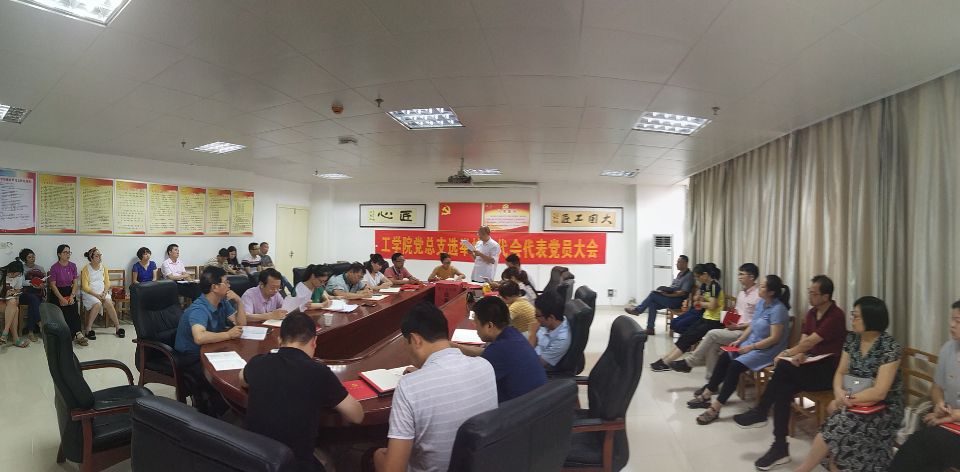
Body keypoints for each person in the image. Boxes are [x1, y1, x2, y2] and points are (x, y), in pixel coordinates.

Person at [734, 275, 848, 470]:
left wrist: (787, 353)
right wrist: (798, 354)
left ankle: (762, 411)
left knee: (784, 367)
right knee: (783, 389)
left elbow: (810, 341)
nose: (810, 296)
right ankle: (779, 447)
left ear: (826, 296)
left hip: (829, 373)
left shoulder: (836, 315)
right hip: (811, 366)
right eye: (809, 292)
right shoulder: (811, 313)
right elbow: (804, 341)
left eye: (814, 293)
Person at [373, 302, 497, 472]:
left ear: (415, 340)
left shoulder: (409, 387)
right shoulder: (485, 366)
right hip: (478, 465)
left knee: (378, 455)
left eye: (406, 344)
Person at [240, 312, 363, 472]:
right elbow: (357, 416)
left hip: (254, 460)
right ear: (314, 342)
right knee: (330, 461)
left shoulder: (258, 362)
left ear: (279, 340)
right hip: (293, 465)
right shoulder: (319, 372)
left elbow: (242, 379)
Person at [792, 296, 903, 472]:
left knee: (841, 421)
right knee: (841, 419)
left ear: (871, 318)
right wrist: (839, 393)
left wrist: (843, 400)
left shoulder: (890, 347)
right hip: (854, 397)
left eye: (856, 316)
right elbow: (841, 372)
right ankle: (833, 464)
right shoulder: (852, 339)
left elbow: (880, 392)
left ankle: (806, 468)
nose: (852, 319)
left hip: (885, 407)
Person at [687, 275, 791, 425]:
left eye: (762, 286)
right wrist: (740, 341)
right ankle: (707, 394)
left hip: (768, 350)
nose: (759, 288)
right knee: (725, 356)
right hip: (752, 343)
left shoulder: (778, 310)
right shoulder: (761, 303)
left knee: (734, 366)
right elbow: (753, 325)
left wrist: (750, 347)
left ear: (771, 292)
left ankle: (715, 408)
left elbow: (774, 338)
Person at [889, 300, 960, 472]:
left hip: (953, 424)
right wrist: (939, 404)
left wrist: (953, 416)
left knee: (922, 443)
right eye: (952, 319)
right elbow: (937, 387)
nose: (952, 325)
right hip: (949, 422)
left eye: (958, 321)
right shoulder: (948, 348)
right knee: (922, 441)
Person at [173, 266, 247, 416]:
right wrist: (228, 335)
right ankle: (216, 415)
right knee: (223, 381)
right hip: (191, 356)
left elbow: (241, 324)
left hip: (211, 350)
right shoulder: (199, 308)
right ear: (214, 287)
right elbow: (199, 337)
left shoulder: (222, 302)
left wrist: (239, 301)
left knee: (239, 369)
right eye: (226, 282)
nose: (229, 285)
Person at [671, 263, 761, 377]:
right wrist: (729, 321)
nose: (739, 277)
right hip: (734, 328)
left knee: (711, 334)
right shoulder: (741, 293)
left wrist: (738, 326)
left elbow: (757, 322)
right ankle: (712, 380)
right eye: (739, 274)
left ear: (751, 277)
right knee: (712, 345)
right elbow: (737, 312)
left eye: (742, 274)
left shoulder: (758, 296)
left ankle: (690, 362)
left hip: (746, 332)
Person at [452, 296, 547, 402]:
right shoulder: (512, 334)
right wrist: (455, 346)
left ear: (489, 326)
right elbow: (486, 352)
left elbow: (467, 380)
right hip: (538, 403)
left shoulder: (499, 351)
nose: (476, 328)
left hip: (519, 409)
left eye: (476, 324)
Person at [650, 264, 725, 372]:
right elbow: (697, 299)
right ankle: (665, 359)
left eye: (698, 277)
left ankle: (667, 362)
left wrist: (700, 302)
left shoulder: (714, 286)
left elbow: (712, 305)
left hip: (714, 321)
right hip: (706, 317)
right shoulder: (705, 285)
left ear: (705, 274)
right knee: (685, 336)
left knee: (688, 338)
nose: (697, 279)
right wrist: (699, 300)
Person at [625, 255, 694, 335]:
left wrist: (668, 295)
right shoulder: (679, 274)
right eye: (677, 262)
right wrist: (665, 291)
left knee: (653, 294)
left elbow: (682, 292)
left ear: (685, 263)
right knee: (652, 303)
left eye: (679, 262)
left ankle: (638, 310)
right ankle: (650, 329)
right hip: (671, 298)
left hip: (677, 302)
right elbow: (673, 288)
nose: (676, 264)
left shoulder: (688, 276)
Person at [79, 247, 123, 340]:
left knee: (108, 302)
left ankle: (118, 327)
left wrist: (104, 292)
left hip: (102, 292)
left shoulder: (104, 268)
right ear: (91, 258)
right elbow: (85, 286)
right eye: (97, 256)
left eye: (100, 255)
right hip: (90, 293)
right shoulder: (86, 269)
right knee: (98, 303)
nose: (99, 257)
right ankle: (88, 329)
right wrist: (96, 295)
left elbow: (107, 283)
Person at [48, 244, 87, 346]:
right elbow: (53, 285)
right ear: (59, 254)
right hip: (57, 293)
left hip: (69, 291)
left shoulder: (72, 266)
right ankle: (68, 334)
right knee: (64, 311)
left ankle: (78, 333)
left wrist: (72, 296)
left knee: (73, 309)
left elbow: (75, 283)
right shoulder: (54, 267)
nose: (68, 254)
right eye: (65, 252)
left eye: (69, 252)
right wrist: (61, 298)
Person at [527, 291, 570, 369]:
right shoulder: (552, 323)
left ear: (551, 317)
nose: (535, 318)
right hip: (530, 346)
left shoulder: (561, 340)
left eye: (537, 315)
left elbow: (533, 363)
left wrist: (532, 335)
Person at [16, 248, 43, 341]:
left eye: (33, 256)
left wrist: (41, 285)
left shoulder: (40, 268)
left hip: (37, 294)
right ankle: (39, 322)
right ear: (25, 259)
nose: (32, 258)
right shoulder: (21, 268)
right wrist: (32, 283)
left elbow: (45, 282)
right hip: (24, 294)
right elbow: (21, 283)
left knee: (33, 302)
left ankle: (30, 332)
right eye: (29, 257)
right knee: (33, 298)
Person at [0, 260, 29, 347]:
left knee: (14, 304)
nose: (14, 277)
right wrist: (4, 293)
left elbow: (18, 290)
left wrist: (14, 292)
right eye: (12, 275)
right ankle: (15, 339)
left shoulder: (19, 276)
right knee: (15, 309)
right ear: (8, 270)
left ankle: (5, 333)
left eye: (16, 275)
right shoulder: (1, 274)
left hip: (8, 302)